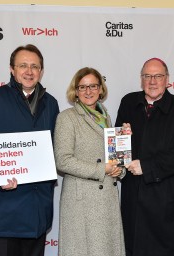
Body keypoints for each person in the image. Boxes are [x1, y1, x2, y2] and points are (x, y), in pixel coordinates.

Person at [0, 44, 60, 256]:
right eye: (23, 65)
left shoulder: (51, 103)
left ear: (41, 71)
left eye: (35, 66)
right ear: (12, 69)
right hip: (7, 206)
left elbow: (53, 147)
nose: (29, 71)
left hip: (39, 206)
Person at [115, 58, 174, 256]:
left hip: (165, 202)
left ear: (167, 79)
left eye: (158, 76)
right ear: (141, 79)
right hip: (133, 198)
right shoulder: (128, 102)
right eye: (147, 76)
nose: (152, 81)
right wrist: (121, 140)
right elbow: (118, 145)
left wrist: (147, 166)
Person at [53, 67, 126, 256]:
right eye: (82, 87)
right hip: (81, 202)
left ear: (101, 89)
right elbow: (63, 160)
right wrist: (102, 169)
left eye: (93, 86)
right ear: (75, 91)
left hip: (107, 199)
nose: (88, 91)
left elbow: (113, 158)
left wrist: (119, 169)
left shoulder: (106, 118)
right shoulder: (67, 118)